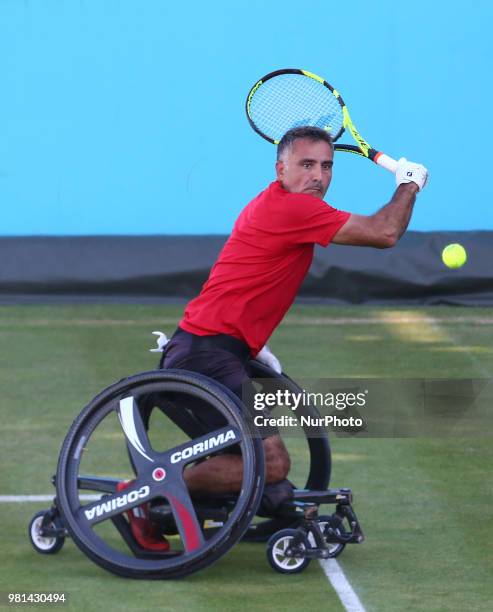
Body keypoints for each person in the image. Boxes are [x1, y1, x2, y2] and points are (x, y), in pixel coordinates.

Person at [131, 125, 428, 549]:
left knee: (268, 481)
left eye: (326, 166)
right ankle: (144, 496)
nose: (318, 176)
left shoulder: (281, 207)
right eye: (306, 165)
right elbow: (384, 232)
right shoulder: (293, 209)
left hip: (218, 351)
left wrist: (250, 346)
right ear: (280, 169)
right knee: (269, 462)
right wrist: (409, 185)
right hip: (204, 357)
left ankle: (165, 507)